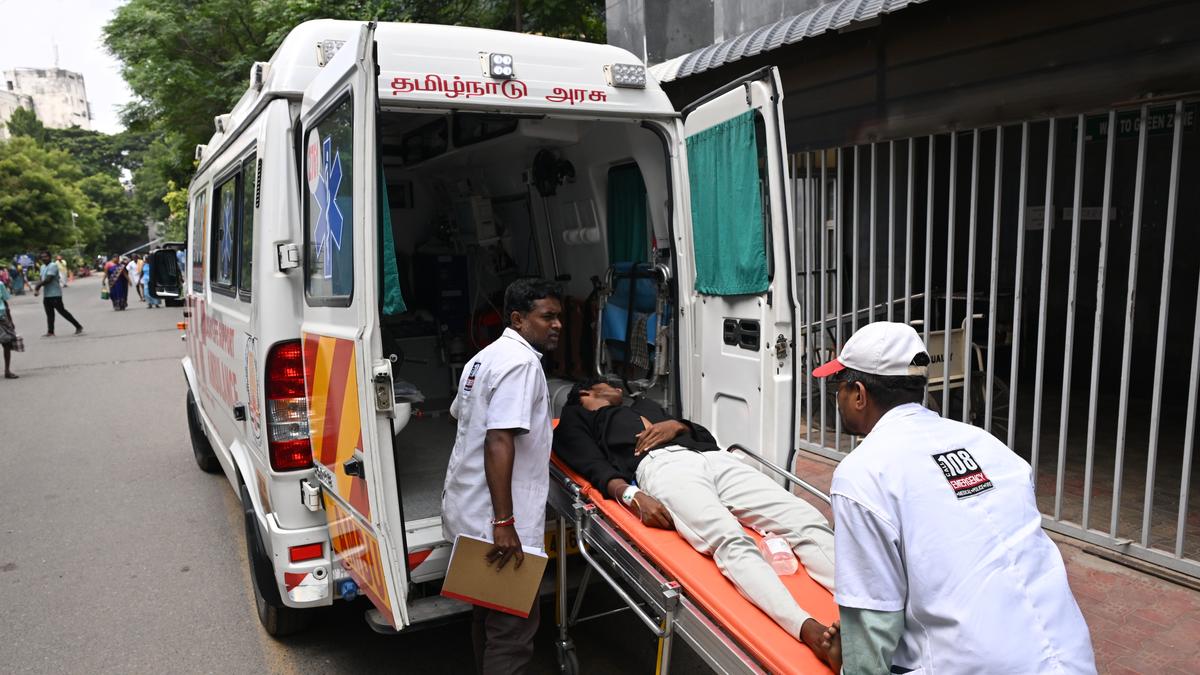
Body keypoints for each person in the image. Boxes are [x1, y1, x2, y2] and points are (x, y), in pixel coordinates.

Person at [812, 322, 1096, 674]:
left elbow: (872, 622)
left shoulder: (863, 473)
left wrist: (848, 661)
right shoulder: (987, 446)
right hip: (1070, 657)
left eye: (838, 387)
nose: (837, 398)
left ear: (858, 394)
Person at [554, 381, 840, 668]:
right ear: (587, 392)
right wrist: (630, 495)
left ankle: (860, 601)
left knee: (805, 519)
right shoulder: (579, 417)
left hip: (715, 459)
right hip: (662, 467)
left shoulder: (642, 404)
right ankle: (810, 630)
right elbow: (589, 461)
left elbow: (706, 437)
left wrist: (678, 426)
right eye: (607, 383)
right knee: (729, 538)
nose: (617, 385)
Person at [441, 278, 562, 675]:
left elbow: (460, 415)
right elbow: (498, 439)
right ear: (518, 319)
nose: (557, 325)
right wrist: (504, 522)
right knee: (511, 632)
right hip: (499, 521)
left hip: (469, 507)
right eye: (547, 317)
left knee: (487, 615)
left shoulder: (483, 357)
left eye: (558, 317)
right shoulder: (521, 364)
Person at [32, 251, 83, 337]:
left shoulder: (53, 265)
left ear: (50, 257)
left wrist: (37, 286)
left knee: (62, 312)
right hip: (47, 294)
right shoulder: (42, 267)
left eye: (46, 256)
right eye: (42, 257)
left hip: (55, 294)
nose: (44, 258)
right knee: (49, 313)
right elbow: (41, 279)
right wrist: (38, 289)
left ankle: (78, 326)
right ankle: (50, 331)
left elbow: (48, 279)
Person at [0, 280, 18, 378]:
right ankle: (7, 371)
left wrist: (10, 320)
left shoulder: (0, 284)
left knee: (7, 343)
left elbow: (5, 302)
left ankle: (7, 370)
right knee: (6, 343)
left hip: (2, 318)